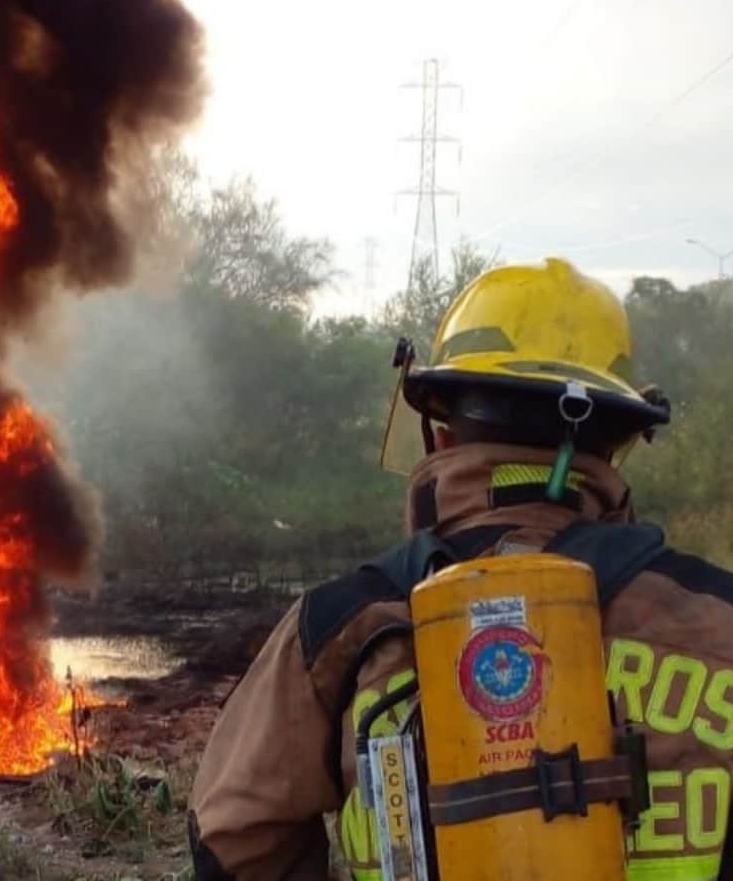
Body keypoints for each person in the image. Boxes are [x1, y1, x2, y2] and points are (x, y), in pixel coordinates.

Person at [188, 258, 733, 881]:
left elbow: (232, 835)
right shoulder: (718, 619)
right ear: (613, 446)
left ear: (441, 435)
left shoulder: (341, 627)